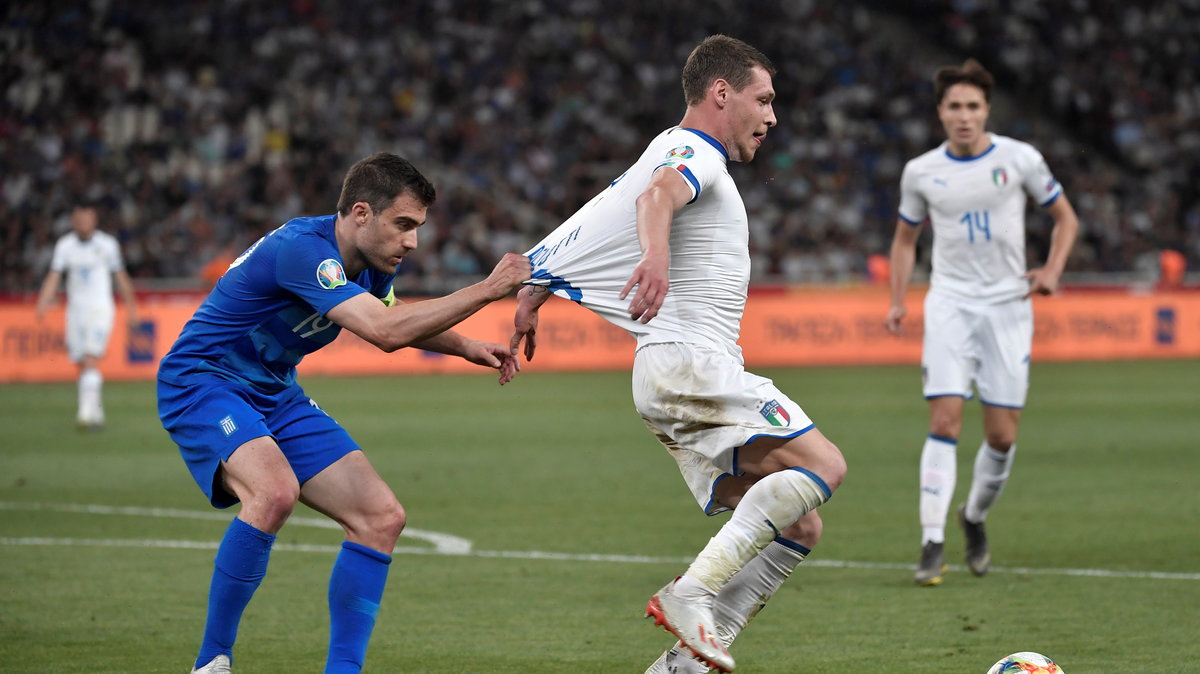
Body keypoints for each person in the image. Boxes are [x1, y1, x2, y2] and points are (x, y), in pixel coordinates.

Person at [508, 35, 847, 673]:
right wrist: (655, 254)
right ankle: (690, 590)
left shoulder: (674, 146)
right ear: (722, 94)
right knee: (824, 465)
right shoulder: (694, 151)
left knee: (799, 525)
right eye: (764, 100)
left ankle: (679, 668)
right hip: (691, 362)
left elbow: (598, 213)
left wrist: (537, 282)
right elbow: (654, 196)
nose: (772, 117)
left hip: (673, 373)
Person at [157, 152, 531, 674]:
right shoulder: (302, 251)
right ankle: (211, 662)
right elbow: (382, 333)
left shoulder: (367, 266)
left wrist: (465, 345)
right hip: (204, 380)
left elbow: (394, 312)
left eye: (418, 228)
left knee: (381, 519)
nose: (412, 242)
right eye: (403, 225)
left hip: (274, 391)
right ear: (361, 214)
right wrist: (490, 288)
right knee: (273, 492)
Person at [885, 59, 1079, 586]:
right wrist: (899, 299)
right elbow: (905, 240)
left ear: (986, 110)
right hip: (950, 302)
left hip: (1008, 305)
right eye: (954, 106)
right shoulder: (921, 171)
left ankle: (972, 516)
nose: (964, 115)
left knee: (1000, 437)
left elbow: (1066, 219)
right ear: (940, 112)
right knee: (944, 421)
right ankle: (931, 542)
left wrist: (1052, 270)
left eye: (973, 106)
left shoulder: (1020, 159)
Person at [35, 203, 139, 430]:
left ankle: (84, 414)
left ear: (94, 220)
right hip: (76, 311)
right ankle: (96, 412)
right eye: (78, 219)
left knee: (91, 358)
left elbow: (120, 275)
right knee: (82, 362)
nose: (82, 223)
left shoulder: (107, 245)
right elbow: (55, 274)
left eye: (86, 218)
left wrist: (131, 306)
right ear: (73, 220)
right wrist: (44, 300)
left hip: (100, 308)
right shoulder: (65, 246)